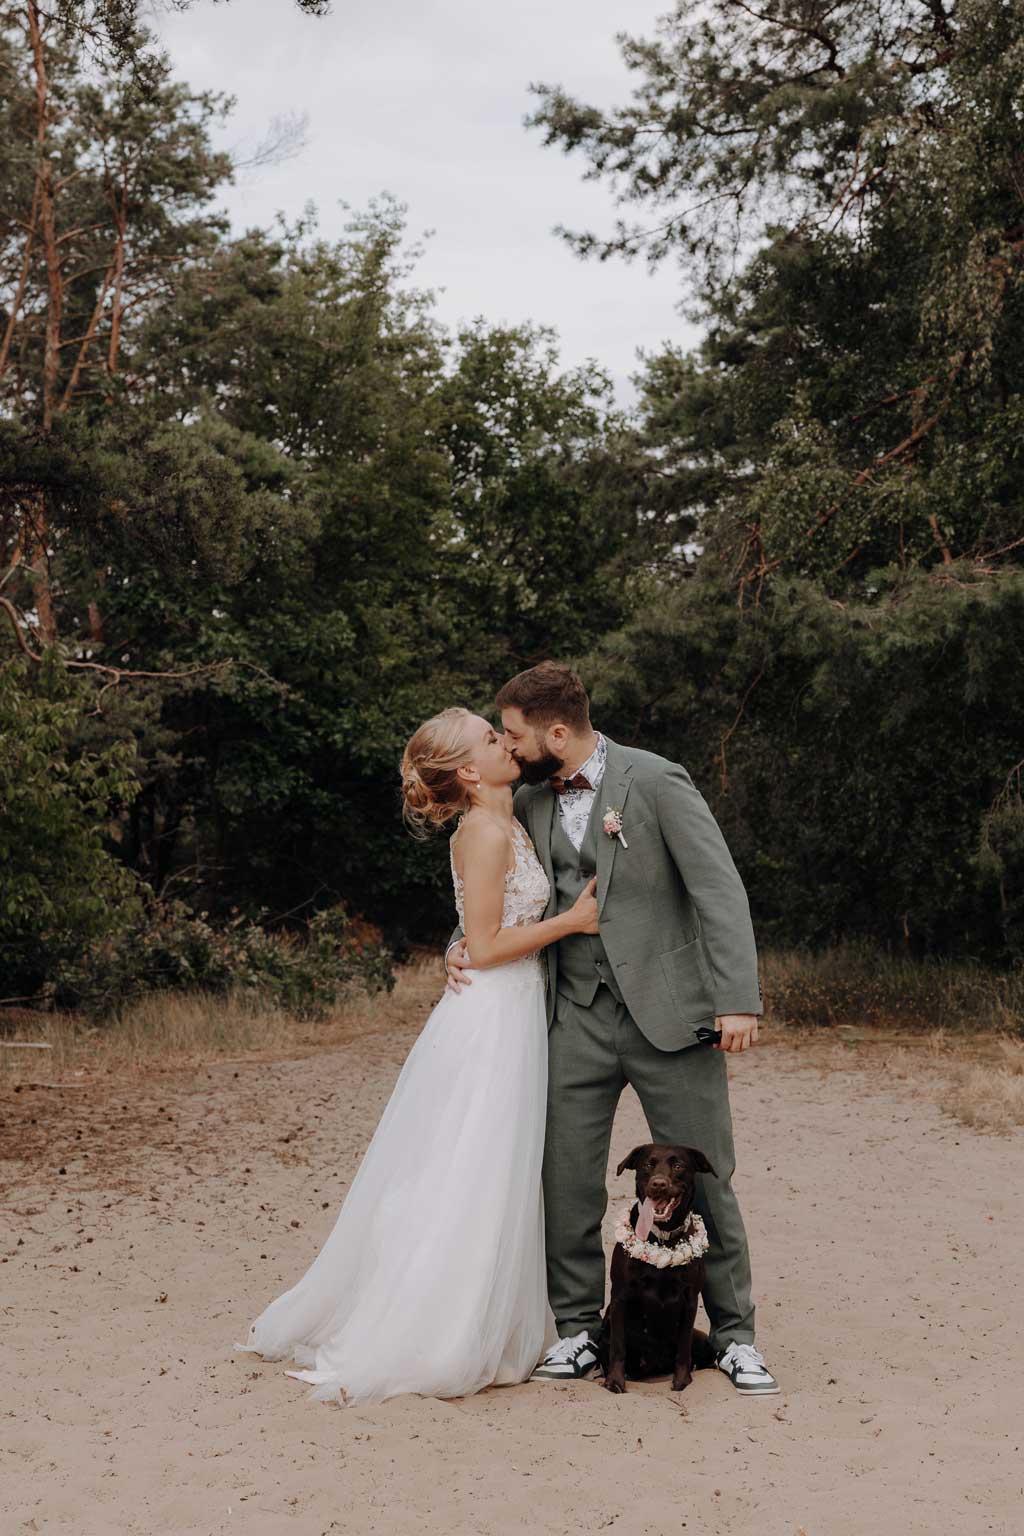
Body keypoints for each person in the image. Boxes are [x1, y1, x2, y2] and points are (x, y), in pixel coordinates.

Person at [234, 706, 599, 1405]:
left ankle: (493, 1316)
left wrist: (456, 944)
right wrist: (572, 921)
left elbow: (476, 930)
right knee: (469, 1166)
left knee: (493, 1166)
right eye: (492, 739)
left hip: (513, 1009)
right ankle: (439, 1330)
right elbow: (489, 947)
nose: (504, 742)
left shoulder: (513, 811)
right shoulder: (485, 831)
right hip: (493, 1015)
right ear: (468, 769)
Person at [446, 662, 779, 1396]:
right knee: (565, 1181)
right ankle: (577, 1331)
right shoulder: (527, 799)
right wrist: (459, 946)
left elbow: (718, 888)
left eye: (515, 733)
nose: (510, 745)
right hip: (574, 1016)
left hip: (672, 1016)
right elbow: (497, 898)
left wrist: (738, 999)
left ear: (556, 732)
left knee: (709, 1180)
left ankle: (733, 1337)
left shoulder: (657, 781)